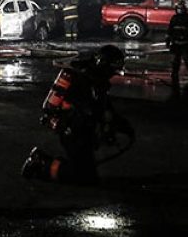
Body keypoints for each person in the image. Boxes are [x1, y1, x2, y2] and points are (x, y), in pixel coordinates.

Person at [21, 45, 127, 185]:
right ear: (103, 64)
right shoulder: (83, 79)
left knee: (88, 176)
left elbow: (104, 107)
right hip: (72, 129)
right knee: (81, 177)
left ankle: (60, 165)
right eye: (112, 69)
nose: (113, 73)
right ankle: (41, 163)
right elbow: (89, 109)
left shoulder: (96, 79)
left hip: (81, 129)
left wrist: (121, 126)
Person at [166, 0, 188, 97]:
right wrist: (168, 41)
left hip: (186, 43)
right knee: (176, 60)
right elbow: (170, 30)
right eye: (178, 9)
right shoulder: (174, 18)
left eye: (181, 9)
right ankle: (174, 74)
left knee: (187, 59)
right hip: (176, 43)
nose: (180, 10)